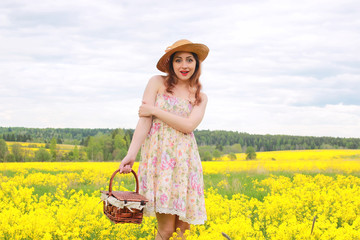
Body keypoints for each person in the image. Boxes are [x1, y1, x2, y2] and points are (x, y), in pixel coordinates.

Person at [119, 39, 209, 240]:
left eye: (189, 60)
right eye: (178, 60)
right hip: (161, 162)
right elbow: (144, 122)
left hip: (186, 163)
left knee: (183, 233)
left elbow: (188, 126)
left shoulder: (200, 97)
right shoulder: (156, 82)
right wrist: (131, 154)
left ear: (196, 64)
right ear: (171, 63)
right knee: (167, 230)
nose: (184, 65)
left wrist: (154, 110)